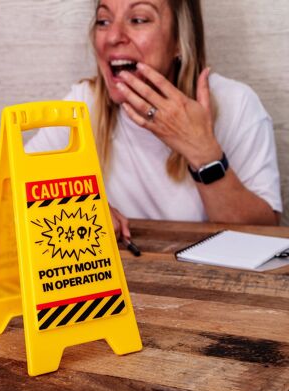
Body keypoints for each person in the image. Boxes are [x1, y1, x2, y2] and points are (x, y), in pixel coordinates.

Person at [25, 0, 282, 242]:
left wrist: (202, 152)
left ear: (179, 41)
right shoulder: (82, 106)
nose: (113, 37)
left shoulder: (236, 104)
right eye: (103, 21)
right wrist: (76, 210)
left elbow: (264, 235)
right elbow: (8, 195)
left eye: (138, 19)